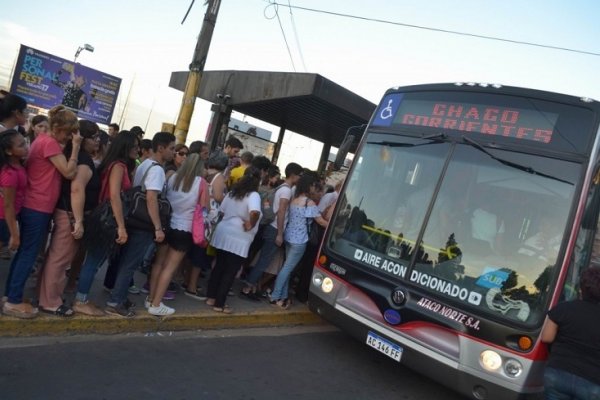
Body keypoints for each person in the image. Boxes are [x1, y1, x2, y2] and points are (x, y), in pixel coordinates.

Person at [3, 105, 81, 319]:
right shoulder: (49, 143)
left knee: (25, 253)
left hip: (35, 204)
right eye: (67, 132)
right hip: (38, 205)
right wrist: (75, 148)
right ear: (57, 128)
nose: (69, 136)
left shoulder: (44, 141)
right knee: (28, 254)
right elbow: (68, 172)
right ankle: (13, 300)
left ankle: (11, 295)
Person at [105, 131, 175, 317]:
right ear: (161, 148)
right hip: (144, 223)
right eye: (172, 148)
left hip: (134, 218)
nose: (173, 153)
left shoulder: (145, 164)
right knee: (131, 263)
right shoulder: (158, 170)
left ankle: (117, 296)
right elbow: (152, 197)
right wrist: (158, 227)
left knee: (125, 261)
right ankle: (116, 301)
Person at [38, 120, 101, 317]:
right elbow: (76, 189)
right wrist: (79, 220)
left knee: (55, 257)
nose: (98, 141)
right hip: (71, 215)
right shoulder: (82, 160)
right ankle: (50, 302)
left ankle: (46, 296)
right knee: (60, 259)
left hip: (67, 213)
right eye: (95, 137)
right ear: (82, 138)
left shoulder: (78, 156)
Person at [72, 130, 139, 316]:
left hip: (104, 217)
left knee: (94, 260)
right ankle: (80, 299)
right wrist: (121, 226)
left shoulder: (115, 164)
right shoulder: (118, 166)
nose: (138, 149)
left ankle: (82, 297)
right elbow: (114, 196)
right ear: (125, 147)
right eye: (134, 146)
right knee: (93, 261)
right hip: (107, 219)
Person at [146, 153, 209, 315]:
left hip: (167, 225)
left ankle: (150, 299)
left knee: (158, 264)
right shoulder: (201, 183)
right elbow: (204, 207)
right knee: (170, 268)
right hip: (184, 228)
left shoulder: (173, 178)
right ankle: (156, 304)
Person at [241, 162, 303, 298]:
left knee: (263, 259)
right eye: (299, 175)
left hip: (271, 227)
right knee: (264, 261)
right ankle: (248, 286)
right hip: (275, 228)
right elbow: (281, 212)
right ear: (293, 175)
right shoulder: (286, 191)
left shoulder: (282, 187)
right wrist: (280, 234)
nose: (300, 178)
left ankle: (251, 286)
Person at [206, 166, 262, 313]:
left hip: (224, 232)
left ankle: (211, 297)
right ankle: (220, 303)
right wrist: (251, 223)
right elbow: (255, 212)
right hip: (239, 237)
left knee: (219, 267)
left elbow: (222, 211)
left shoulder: (233, 192)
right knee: (230, 271)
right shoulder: (254, 195)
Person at [269, 172, 328, 309]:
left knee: (287, 268)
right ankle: (275, 296)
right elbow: (320, 221)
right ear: (309, 186)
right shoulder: (309, 202)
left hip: (289, 236)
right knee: (287, 268)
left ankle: (283, 297)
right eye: (313, 185)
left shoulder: (294, 199)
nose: (315, 188)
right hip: (299, 240)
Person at [541, 265, 600, 399]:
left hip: (558, 373)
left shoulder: (563, 309)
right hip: (592, 383)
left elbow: (547, 337)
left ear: (581, 289)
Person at [184, 152, 228, 297]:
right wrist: (226, 198)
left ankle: (187, 280)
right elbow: (217, 196)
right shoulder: (219, 177)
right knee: (200, 252)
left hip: (198, 215)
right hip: (208, 218)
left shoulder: (204, 173)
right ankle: (192, 286)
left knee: (193, 251)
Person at [0, 129, 28, 260]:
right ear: (9, 151)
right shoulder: (10, 174)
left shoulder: (18, 166)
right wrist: (14, 234)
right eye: (21, 145)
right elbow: (8, 205)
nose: (26, 147)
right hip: (3, 219)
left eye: (25, 142)